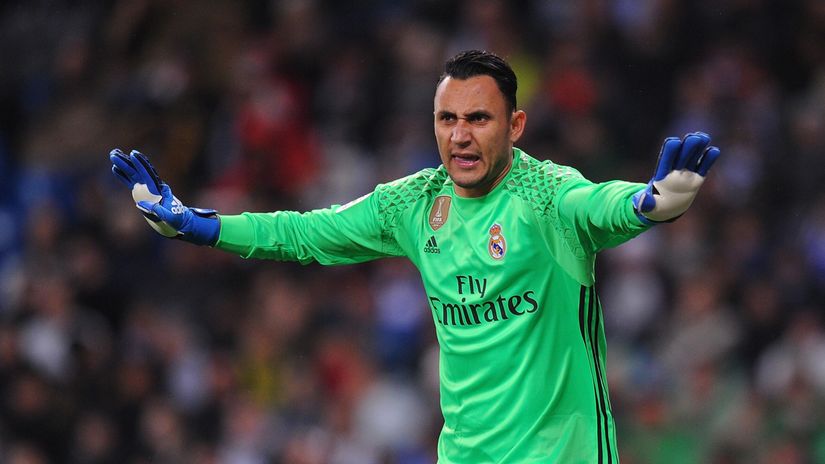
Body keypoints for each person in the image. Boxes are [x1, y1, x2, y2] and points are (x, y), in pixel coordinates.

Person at [110, 50, 720, 463]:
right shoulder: (414, 202)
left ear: (515, 125)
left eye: (478, 119)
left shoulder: (546, 193)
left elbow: (601, 207)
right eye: (447, 119)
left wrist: (647, 203)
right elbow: (304, 233)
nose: (459, 135)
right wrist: (201, 226)